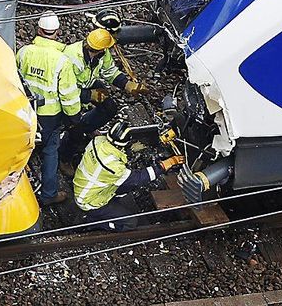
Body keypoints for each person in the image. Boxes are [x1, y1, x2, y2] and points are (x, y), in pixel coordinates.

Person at [59, 27, 147, 171]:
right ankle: (64, 158)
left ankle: (88, 126)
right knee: (75, 131)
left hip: (88, 82)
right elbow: (64, 89)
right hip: (69, 93)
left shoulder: (102, 53)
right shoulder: (71, 57)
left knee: (109, 107)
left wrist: (126, 84)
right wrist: (88, 95)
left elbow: (109, 71)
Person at [16, 12, 80, 205]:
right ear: (58, 32)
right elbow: (68, 96)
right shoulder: (62, 61)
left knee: (18, 148)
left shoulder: (24, 52)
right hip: (50, 117)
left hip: (24, 111)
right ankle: (48, 194)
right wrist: (74, 118)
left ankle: (11, 191)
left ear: (39, 30)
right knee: (50, 151)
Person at [72, 120, 183, 231]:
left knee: (127, 185)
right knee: (130, 223)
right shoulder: (113, 168)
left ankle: (113, 201)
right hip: (89, 202)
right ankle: (92, 222)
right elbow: (137, 179)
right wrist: (164, 165)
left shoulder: (97, 141)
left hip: (86, 187)